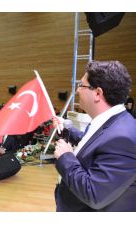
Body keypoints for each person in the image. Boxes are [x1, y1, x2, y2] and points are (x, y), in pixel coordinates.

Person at [53, 61, 136, 211]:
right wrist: (66, 126)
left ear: (98, 93)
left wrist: (66, 157)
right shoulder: (111, 122)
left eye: (81, 85)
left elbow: (94, 194)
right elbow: (93, 144)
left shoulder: (123, 138)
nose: (77, 90)